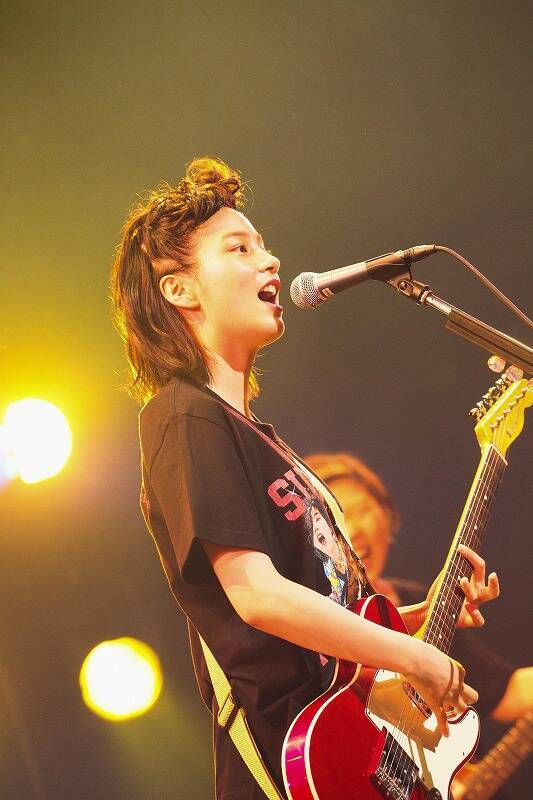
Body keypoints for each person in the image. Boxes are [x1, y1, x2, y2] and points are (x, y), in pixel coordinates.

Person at [110, 156, 500, 800]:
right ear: (179, 290)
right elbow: (257, 598)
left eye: (264, 245)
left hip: (344, 747)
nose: (271, 261)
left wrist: (422, 617)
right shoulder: (182, 416)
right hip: (288, 762)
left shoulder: (263, 439)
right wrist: (415, 657)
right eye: (239, 248)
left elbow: (324, 621)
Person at [304, 451, 533, 796]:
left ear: (389, 519)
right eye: (341, 516)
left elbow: (505, 691)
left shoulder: (424, 604)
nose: (356, 529)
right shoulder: (308, 615)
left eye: (363, 510)